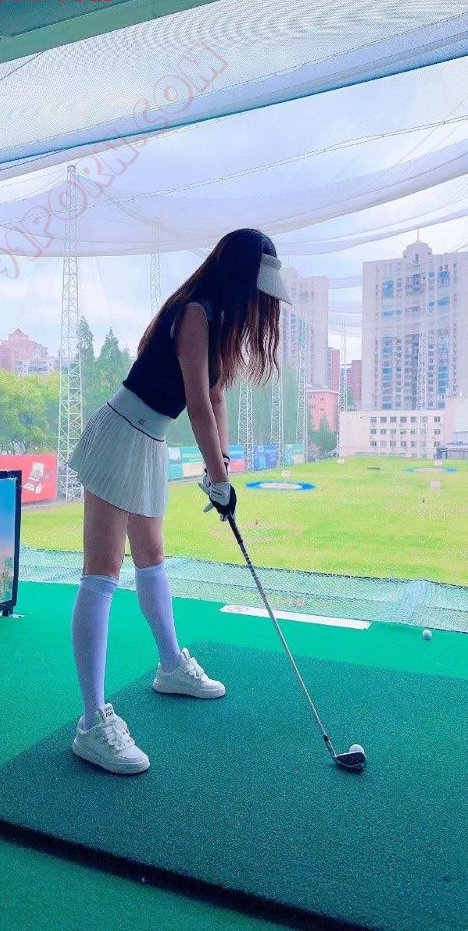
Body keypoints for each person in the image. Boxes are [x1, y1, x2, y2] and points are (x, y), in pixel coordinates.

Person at [69, 227, 292, 774]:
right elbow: (196, 403)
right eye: (258, 289)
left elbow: (215, 397)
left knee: (152, 558)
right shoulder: (195, 313)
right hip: (120, 434)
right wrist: (216, 479)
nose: (261, 303)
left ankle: (170, 667)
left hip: (148, 442)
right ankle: (92, 722)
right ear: (240, 276)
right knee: (102, 571)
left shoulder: (217, 321)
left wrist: (223, 471)